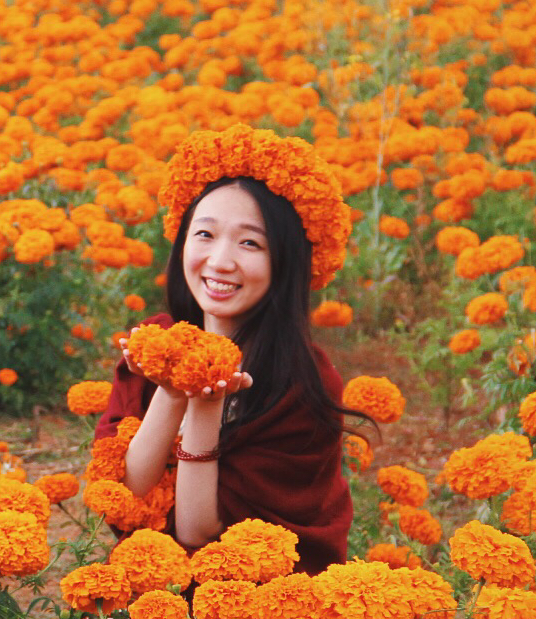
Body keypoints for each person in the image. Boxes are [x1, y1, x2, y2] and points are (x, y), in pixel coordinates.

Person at [94, 125, 364, 574]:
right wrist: (172, 387)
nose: (219, 261)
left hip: (253, 609)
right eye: (204, 234)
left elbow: (198, 534)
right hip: (148, 589)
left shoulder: (302, 382)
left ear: (287, 262)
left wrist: (206, 406)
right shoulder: (155, 340)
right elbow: (129, 492)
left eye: (249, 242)